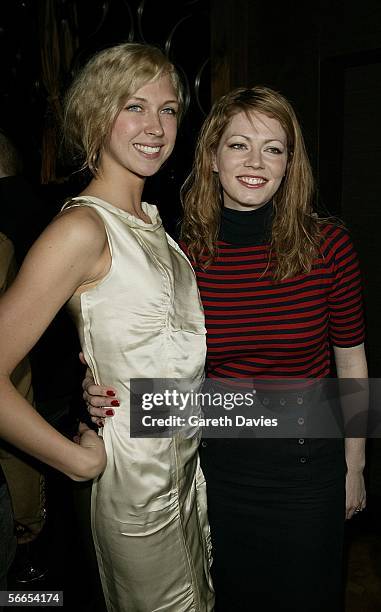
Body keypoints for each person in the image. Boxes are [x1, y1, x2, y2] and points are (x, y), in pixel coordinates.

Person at [85, 86, 367, 611]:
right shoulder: (183, 253)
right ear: (212, 157)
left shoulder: (329, 245)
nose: (256, 162)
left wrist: (355, 467)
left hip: (308, 470)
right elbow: (150, 356)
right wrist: (104, 390)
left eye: (274, 148)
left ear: (290, 163)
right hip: (221, 472)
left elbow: (350, 361)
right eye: (239, 145)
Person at [0, 42, 214, 611]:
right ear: (98, 115)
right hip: (133, 493)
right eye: (133, 106)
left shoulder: (153, 223)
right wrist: (74, 458)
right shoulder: (82, 230)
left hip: (186, 482)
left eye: (168, 109)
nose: (156, 126)